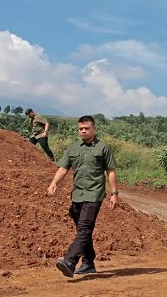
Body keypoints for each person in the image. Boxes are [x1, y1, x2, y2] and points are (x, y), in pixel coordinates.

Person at [47, 115, 118, 277]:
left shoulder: (103, 148)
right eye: (81, 129)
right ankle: (88, 263)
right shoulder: (73, 149)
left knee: (84, 228)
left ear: (94, 129)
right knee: (83, 230)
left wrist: (114, 193)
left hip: (94, 194)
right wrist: (54, 183)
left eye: (87, 128)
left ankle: (70, 261)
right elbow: (63, 168)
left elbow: (111, 171)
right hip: (77, 195)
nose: (83, 131)